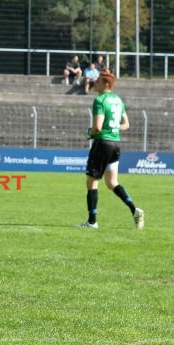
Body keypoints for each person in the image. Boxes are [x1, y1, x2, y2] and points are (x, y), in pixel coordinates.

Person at [79, 69, 144, 230]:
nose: (96, 82)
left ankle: (92, 222)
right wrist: (112, 129)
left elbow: (97, 127)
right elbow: (126, 124)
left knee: (92, 181)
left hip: (102, 144)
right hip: (115, 144)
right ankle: (134, 210)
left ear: (106, 84)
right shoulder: (118, 100)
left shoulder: (100, 100)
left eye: (99, 80)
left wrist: (90, 133)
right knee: (112, 182)